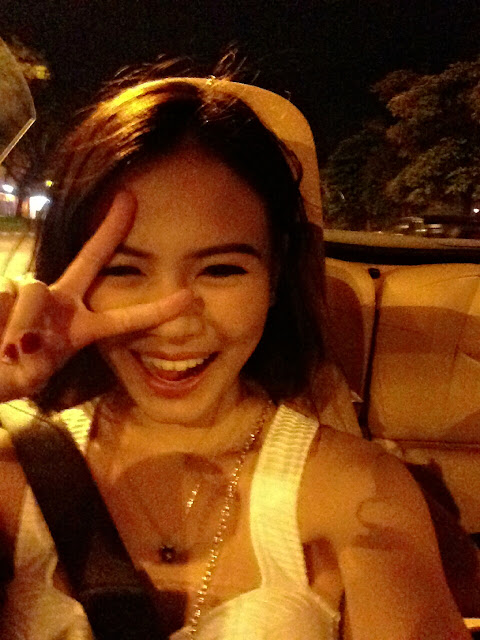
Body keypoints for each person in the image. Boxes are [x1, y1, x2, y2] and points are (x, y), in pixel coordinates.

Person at [0, 63, 472, 640]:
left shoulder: (359, 492)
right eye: (123, 270)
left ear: (275, 276)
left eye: (221, 269)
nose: (173, 322)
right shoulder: (13, 476)